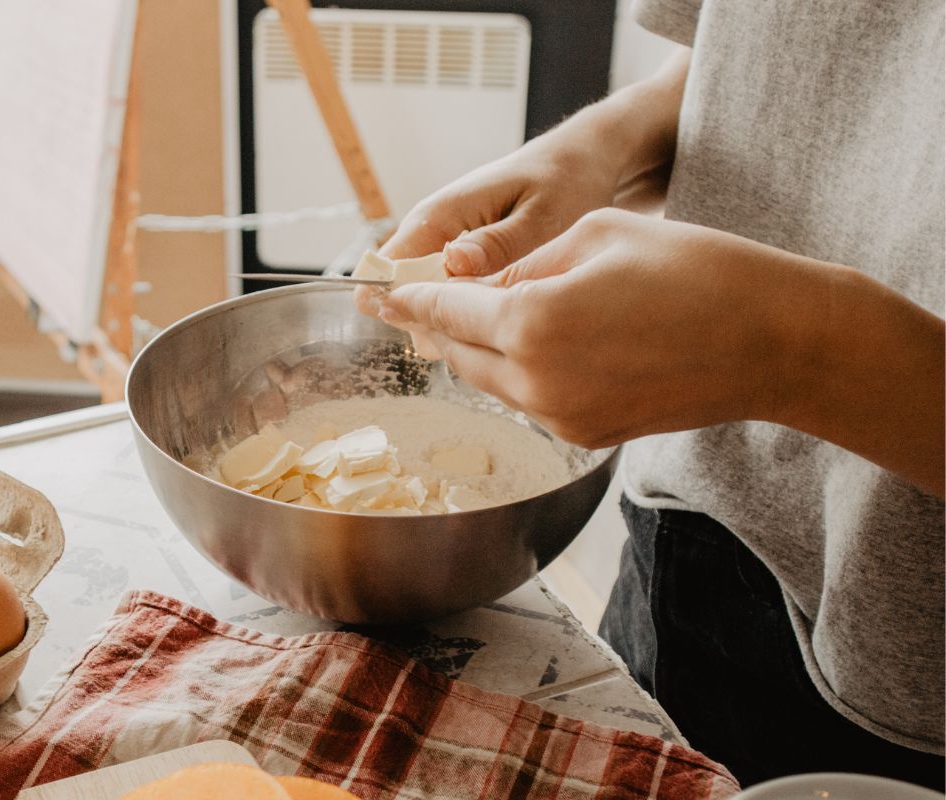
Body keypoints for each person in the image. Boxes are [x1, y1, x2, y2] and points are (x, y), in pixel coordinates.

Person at [357, 1, 944, 789]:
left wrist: (801, 353)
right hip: (681, 546)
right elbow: (772, 52)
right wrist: (606, 148)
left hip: (906, 697)